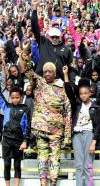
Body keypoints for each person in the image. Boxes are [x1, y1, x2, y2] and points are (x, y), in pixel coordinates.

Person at [22, 40, 72, 186]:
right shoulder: (39, 82)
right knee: (42, 158)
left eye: (50, 71)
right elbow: (27, 69)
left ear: (55, 72)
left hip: (56, 131)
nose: (47, 74)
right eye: (45, 72)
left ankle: (53, 183)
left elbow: (68, 112)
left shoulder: (62, 87)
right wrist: (25, 51)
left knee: (55, 159)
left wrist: (67, 137)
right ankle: (43, 183)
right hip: (40, 128)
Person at [63, 66, 100, 186]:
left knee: (88, 165)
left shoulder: (96, 107)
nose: (83, 95)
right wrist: (65, 74)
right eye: (81, 94)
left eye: (85, 93)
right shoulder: (77, 105)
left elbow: (99, 126)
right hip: (77, 135)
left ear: (90, 93)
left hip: (89, 135)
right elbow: (69, 91)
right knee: (79, 165)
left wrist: (94, 142)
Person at [0, 69, 30, 186]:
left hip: (19, 141)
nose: (15, 99)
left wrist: (25, 141)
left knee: (17, 165)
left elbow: (27, 126)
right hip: (7, 140)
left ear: (20, 97)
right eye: (13, 97)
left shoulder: (25, 108)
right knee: (7, 165)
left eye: (17, 97)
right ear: (10, 97)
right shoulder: (6, 106)